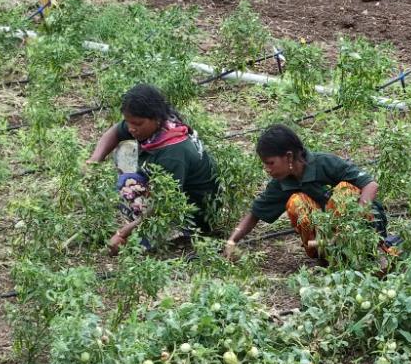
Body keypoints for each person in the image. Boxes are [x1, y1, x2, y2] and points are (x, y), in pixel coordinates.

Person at [221, 124, 389, 264]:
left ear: (288, 156)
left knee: (345, 191)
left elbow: (370, 185)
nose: (267, 169)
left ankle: (369, 250)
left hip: (362, 231)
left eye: (271, 163)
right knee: (297, 202)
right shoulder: (283, 182)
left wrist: (353, 223)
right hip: (329, 241)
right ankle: (327, 254)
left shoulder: (325, 163)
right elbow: (255, 213)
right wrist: (231, 241)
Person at [87, 83, 221, 255]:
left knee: (127, 186)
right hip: (176, 193)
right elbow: (115, 132)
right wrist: (94, 160)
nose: (131, 128)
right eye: (128, 122)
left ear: (156, 119)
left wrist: (124, 233)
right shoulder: (160, 125)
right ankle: (147, 225)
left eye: (137, 123)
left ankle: (173, 232)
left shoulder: (172, 152)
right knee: (125, 150)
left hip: (194, 215)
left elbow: (165, 204)